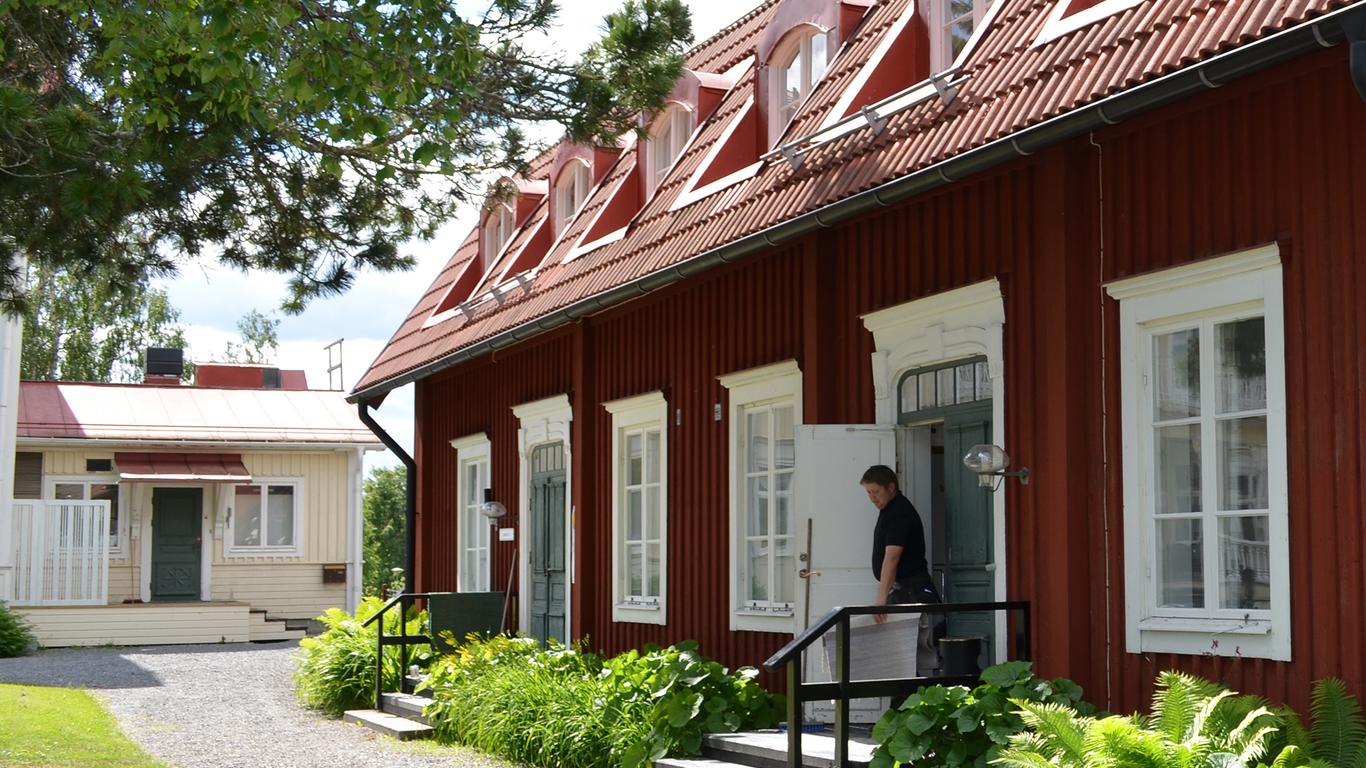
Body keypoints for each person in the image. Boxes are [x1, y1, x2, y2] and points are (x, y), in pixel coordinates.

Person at [861, 465, 940, 625]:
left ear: (890, 487)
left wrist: (881, 599)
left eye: (876, 492)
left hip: (914, 591)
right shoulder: (890, 510)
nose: (872, 498)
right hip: (903, 589)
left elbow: (892, 557)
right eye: (868, 492)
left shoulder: (899, 512)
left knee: (919, 646)